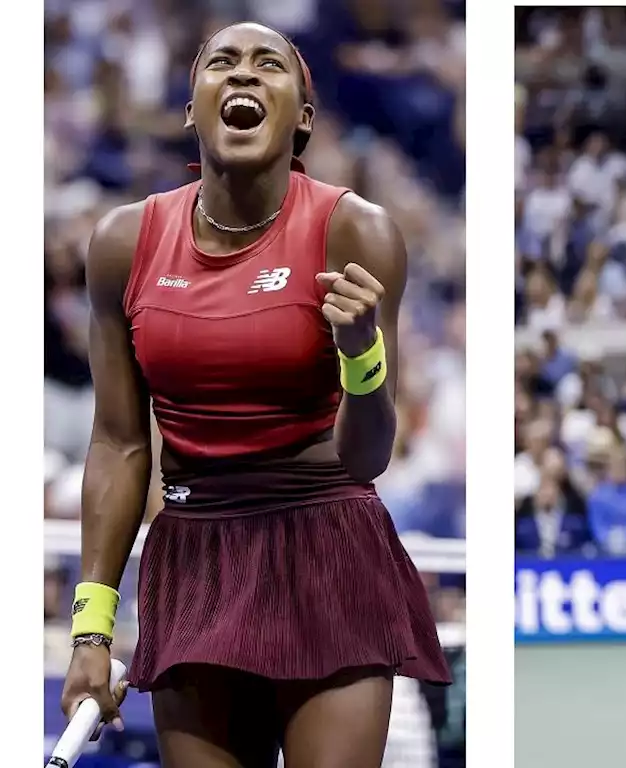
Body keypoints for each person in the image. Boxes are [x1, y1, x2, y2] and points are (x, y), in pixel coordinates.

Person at [59, 22, 450, 768]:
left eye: (268, 65)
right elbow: (117, 442)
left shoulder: (357, 232)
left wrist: (360, 354)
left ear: (302, 115)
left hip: (327, 550)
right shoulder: (122, 243)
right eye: (221, 64)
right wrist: (91, 631)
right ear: (191, 106)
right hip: (194, 561)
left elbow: (366, 460)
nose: (242, 76)